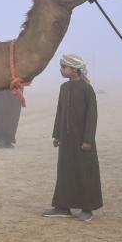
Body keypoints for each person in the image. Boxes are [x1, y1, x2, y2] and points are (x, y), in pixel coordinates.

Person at [42, 54, 101, 221]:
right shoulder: (64, 88)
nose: (61, 70)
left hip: (83, 141)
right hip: (66, 140)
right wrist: (57, 135)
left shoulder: (87, 89)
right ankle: (62, 207)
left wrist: (88, 140)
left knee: (85, 172)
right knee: (65, 172)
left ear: (74, 69)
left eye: (64, 67)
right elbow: (60, 112)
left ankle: (87, 209)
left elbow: (92, 116)